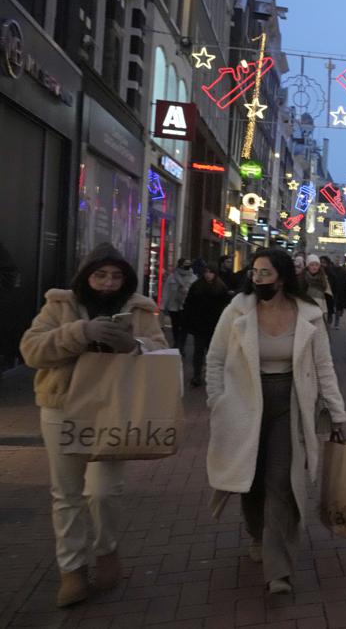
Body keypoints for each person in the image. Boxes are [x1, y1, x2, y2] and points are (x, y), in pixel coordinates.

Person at [19, 243, 168, 607]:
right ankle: (71, 569)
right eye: (100, 275)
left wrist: (133, 346)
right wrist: (79, 333)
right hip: (63, 407)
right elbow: (31, 351)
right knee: (66, 493)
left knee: (103, 491)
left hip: (116, 409)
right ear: (86, 276)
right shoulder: (59, 306)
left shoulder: (140, 308)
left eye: (116, 276)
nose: (108, 283)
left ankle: (107, 550)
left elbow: (163, 352)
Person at [205, 249, 346, 595]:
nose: (257, 278)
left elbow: (324, 367)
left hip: (291, 404)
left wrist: (337, 413)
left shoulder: (309, 315)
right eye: (254, 272)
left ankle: (278, 571)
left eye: (264, 273)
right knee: (250, 479)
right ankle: (257, 533)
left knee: (282, 481)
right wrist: (217, 402)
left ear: (282, 277)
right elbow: (215, 358)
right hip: (243, 402)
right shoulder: (237, 309)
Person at [183, 264, 230, 387]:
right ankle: (197, 375)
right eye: (206, 272)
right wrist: (189, 321)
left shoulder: (221, 288)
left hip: (214, 325)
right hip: (200, 324)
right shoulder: (197, 286)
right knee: (198, 351)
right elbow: (189, 304)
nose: (208, 274)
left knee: (212, 352)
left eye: (211, 272)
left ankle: (211, 376)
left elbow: (225, 307)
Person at [162, 258, 196, 355]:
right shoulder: (172, 277)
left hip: (186, 306)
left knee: (184, 327)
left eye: (189, 263)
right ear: (180, 264)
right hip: (174, 306)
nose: (188, 265)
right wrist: (163, 305)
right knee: (175, 326)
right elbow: (166, 291)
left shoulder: (193, 278)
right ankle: (177, 343)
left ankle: (181, 345)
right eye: (186, 264)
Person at [303, 254, 333, 322]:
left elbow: (328, 297)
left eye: (316, 265)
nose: (314, 267)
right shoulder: (302, 278)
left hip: (320, 310)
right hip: (305, 310)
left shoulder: (324, 279)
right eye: (312, 265)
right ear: (307, 266)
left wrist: (329, 313)